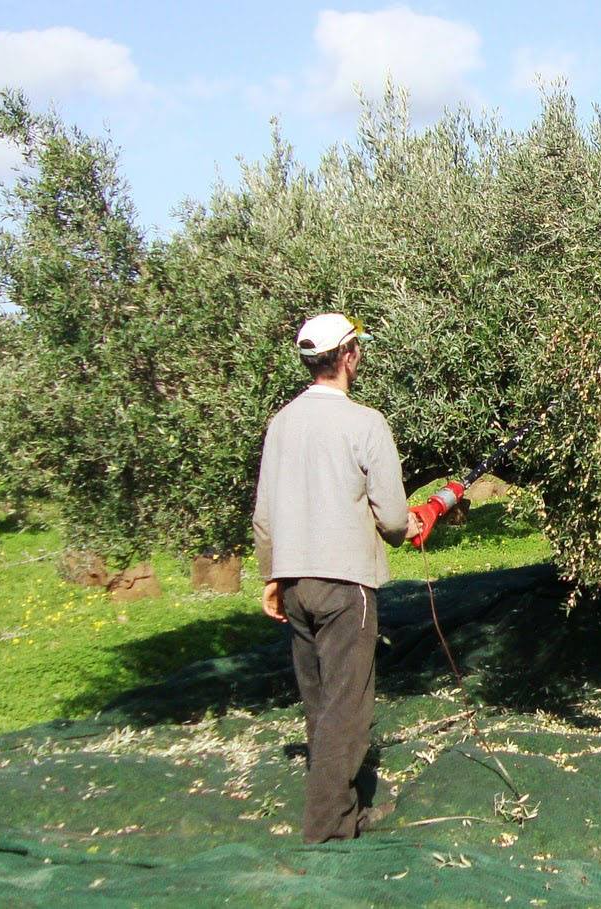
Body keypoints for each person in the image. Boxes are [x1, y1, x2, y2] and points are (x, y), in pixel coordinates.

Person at [253, 313, 421, 843]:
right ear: (347, 356)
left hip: (295, 584)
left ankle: (344, 812)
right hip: (346, 585)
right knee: (347, 711)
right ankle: (326, 832)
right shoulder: (366, 423)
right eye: (358, 348)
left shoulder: (281, 424)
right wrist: (409, 526)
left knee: (321, 704)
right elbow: (391, 516)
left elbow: (264, 513)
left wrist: (271, 576)